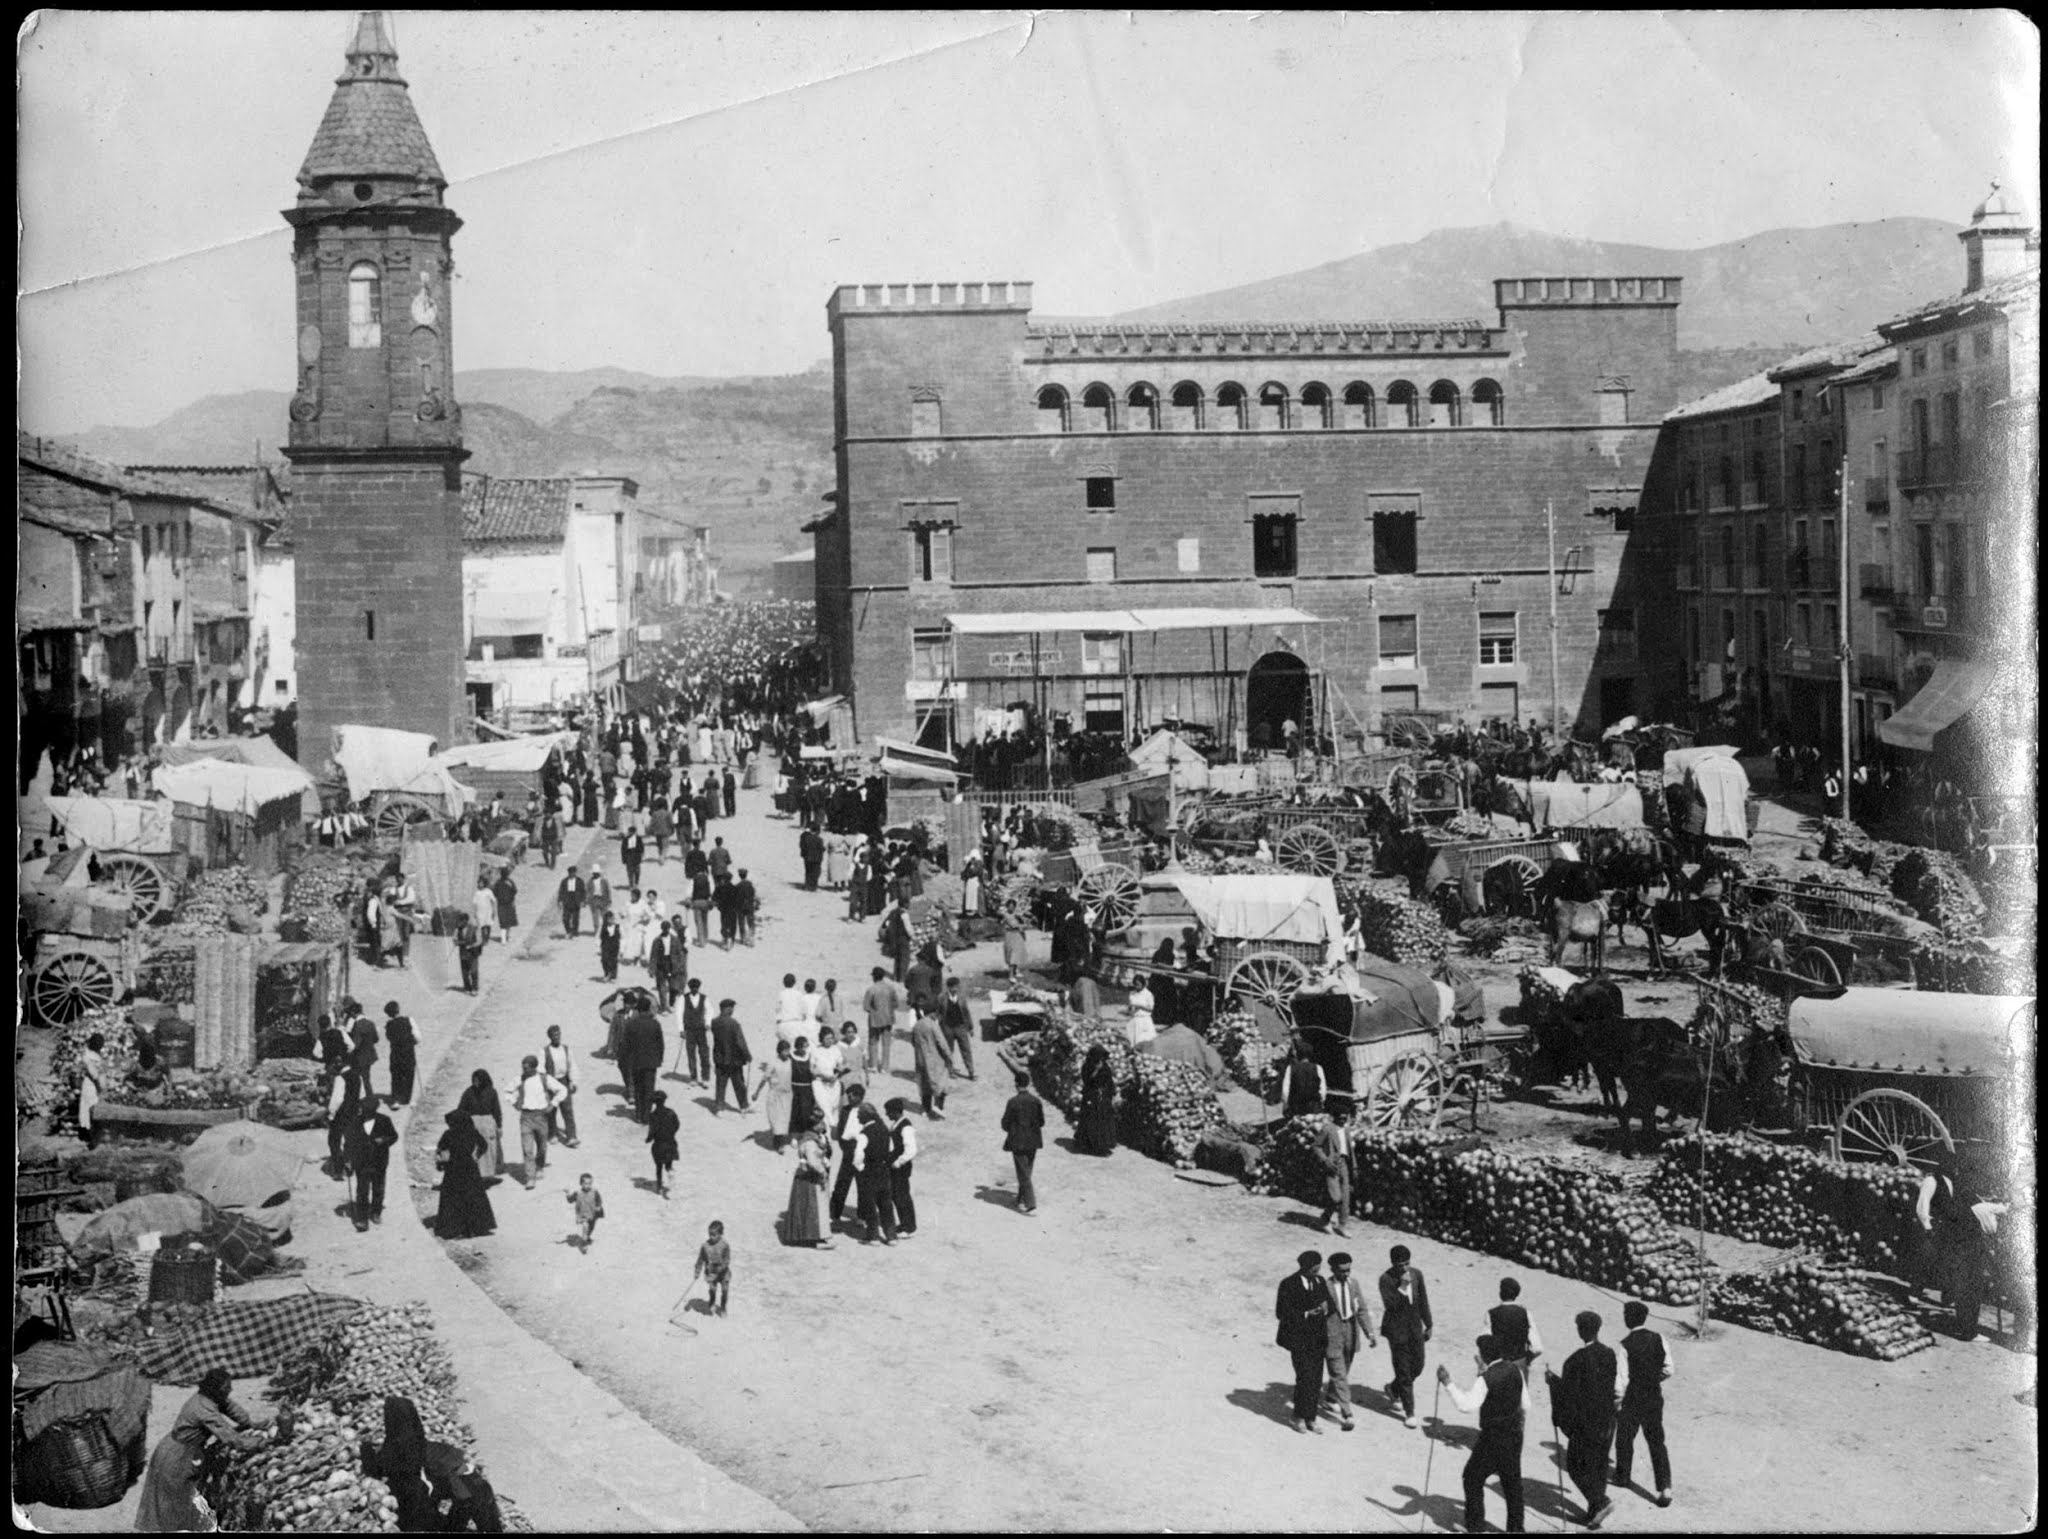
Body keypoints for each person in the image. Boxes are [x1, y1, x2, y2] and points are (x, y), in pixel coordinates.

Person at [135, 1367, 273, 1531]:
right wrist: (258, 1443)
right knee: (172, 1503)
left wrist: (250, 1423)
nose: (230, 1390)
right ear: (216, 1388)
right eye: (226, 1387)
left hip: (183, 1450)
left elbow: (229, 1406)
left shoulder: (213, 1397)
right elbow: (231, 1439)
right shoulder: (204, 1408)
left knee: (184, 1500)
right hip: (175, 1455)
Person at [1440, 1335, 1532, 1534]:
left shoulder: (1486, 1379)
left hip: (1492, 1438)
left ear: (1484, 1355)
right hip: (1514, 1435)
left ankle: (1474, 1526)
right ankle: (1516, 1529)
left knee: (1472, 1478)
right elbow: (1526, 1405)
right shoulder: (1515, 1370)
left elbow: (1466, 1405)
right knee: (1512, 1483)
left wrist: (1448, 1383)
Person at [1547, 1310, 1617, 1529]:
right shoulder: (1609, 1354)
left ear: (1580, 1330)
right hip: (1607, 1419)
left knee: (1575, 1466)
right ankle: (1594, 1513)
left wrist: (1553, 1382)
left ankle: (1600, 1502)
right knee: (1598, 1465)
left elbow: (1568, 1395)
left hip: (1585, 1423)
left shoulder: (1575, 1360)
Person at [1917, 1148, 1997, 1340]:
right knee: (1963, 1281)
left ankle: (1965, 1324)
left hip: (1961, 1238)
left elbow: (1973, 1206)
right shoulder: (1932, 1180)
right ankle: (1967, 1330)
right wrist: (1928, 1229)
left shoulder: (1959, 1185)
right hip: (1945, 1235)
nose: (1956, 1169)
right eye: (1953, 1165)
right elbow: (1922, 1207)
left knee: (1966, 1282)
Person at [1612, 1300, 1674, 1508]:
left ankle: (1622, 1476)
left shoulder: (1624, 1344)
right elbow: (1669, 1369)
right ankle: (1665, 1486)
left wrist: (1617, 1404)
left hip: (1632, 1399)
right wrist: (1653, 1380)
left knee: (1624, 1438)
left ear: (1629, 1318)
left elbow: (1621, 1382)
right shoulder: (1659, 1338)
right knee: (1656, 1441)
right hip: (1654, 1397)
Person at [1274, 1249, 1333, 1434]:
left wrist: (1325, 1308)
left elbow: (1329, 1304)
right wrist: (1306, 1314)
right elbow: (1281, 1312)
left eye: (1318, 1269)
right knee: (1304, 1378)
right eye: (1314, 1270)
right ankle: (1297, 1417)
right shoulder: (1289, 1284)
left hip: (1317, 1339)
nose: (1317, 1273)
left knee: (1316, 1380)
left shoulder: (1320, 1281)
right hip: (1298, 1339)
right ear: (1304, 1269)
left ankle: (1311, 1418)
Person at [1321, 1251, 1378, 1432]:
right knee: (1339, 1374)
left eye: (1348, 1270)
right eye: (1342, 1271)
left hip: (1351, 1334)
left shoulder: (1354, 1284)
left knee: (1343, 1369)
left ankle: (1330, 1398)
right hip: (1332, 1335)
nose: (1346, 1274)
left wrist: (1369, 1333)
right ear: (1332, 1269)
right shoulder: (1325, 1286)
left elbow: (1361, 1309)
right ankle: (1347, 1414)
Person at [1378, 1244, 1434, 1428]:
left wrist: (1429, 1324)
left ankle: (1393, 1389)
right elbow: (1391, 1305)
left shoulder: (1417, 1274)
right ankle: (1409, 1412)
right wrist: (1402, 1286)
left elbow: (1423, 1300)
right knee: (1403, 1370)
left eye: (1407, 1264)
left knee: (1418, 1365)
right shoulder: (1386, 1279)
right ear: (1393, 1264)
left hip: (1415, 1327)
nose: (1404, 1268)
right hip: (1396, 1330)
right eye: (1400, 1265)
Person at [434, 1111, 496, 1240]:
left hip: (453, 1170)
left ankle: (456, 1229)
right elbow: (483, 1145)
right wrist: (476, 1156)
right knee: (473, 1197)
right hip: (470, 1169)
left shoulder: (449, 1134)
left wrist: (440, 1163)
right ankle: (477, 1228)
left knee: (453, 1199)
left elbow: (441, 1150)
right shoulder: (472, 1132)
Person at [347, 1093, 399, 1231]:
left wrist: (384, 1141)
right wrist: (348, 1161)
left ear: (374, 1110)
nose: (363, 1111)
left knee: (378, 1188)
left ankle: (376, 1212)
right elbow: (349, 1143)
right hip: (361, 1162)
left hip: (379, 1161)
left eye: (366, 1110)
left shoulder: (384, 1120)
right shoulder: (355, 1121)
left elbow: (394, 1136)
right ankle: (362, 1219)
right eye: (362, 1109)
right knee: (362, 1190)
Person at [512, 1055, 565, 1190]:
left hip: (541, 1116)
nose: (524, 1070)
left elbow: (562, 1090)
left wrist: (553, 1104)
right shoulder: (520, 1079)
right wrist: (514, 1103)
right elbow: (507, 1091)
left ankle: (540, 1165)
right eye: (523, 1068)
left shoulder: (544, 1079)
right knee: (527, 1149)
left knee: (542, 1146)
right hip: (526, 1117)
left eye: (527, 1068)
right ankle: (530, 1178)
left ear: (534, 1067)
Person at [852, 1100, 898, 1245]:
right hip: (883, 1171)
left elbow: (858, 1157)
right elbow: (891, 1150)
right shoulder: (884, 1129)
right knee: (886, 1204)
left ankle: (873, 1236)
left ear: (865, 1116)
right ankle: (891, 1236)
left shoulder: (864, 1134)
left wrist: (860, 1169)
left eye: (859, 1115)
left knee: (869, 1205)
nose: (858, 1118)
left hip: (869, 1172)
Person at [783, 1108, 832, 1247]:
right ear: (815, 1125)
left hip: (806, 1176)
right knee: (815, 1207)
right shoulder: (810, 1141)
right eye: (820, 1122)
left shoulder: (812, 1138)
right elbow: (813, 1161)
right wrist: (822, 1172)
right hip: (811, 1177)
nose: (823, 1124)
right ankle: (816, 1237)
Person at [618, 991, 666, 1124]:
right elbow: (660, 1044)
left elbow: (626, 1045)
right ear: (648, 1009)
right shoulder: (655, 1024)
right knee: (649, 1089)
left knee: (638, 1088)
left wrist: (625, 1060)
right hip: (651, 1063)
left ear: (638, 1009)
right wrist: (659, 1059)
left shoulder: (631, 1024)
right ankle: (646, 1115)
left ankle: (638, 1115)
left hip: (635, 1062)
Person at [1001, 1069, 1045, 1213]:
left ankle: (1030, 1201)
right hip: (1033, 1140)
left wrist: (1014, 1130)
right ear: (1028, 1084)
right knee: (1026, 1171)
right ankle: (1020, 1198)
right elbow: (1042, 1122)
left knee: (1023, 1172)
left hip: (1018, 1141)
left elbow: (1005, 1124)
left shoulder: (1013, 1102)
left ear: (1016, 1084)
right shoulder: (1036, 1101)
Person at [1488, 1277, 1544, 1369]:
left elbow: (1485, 1346)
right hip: (1519, 1368)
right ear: (1516, 1295)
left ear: (1500, 1293)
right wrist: (1526, 1360)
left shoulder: (1491, 1314)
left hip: (1498, 1369)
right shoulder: (1525, 1313)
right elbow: (1537, 1348)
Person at [458, 1070, 504, 1180]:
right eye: (474, 1081)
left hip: (488, 1124)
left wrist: (499, 1126)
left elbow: (496, 1110)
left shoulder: (492, 1092)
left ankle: (488, 1174)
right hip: (474, 1124)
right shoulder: (469, 1092)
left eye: (478, 1081)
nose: (475, 1083)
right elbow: (461, 1109)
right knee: (475, 1149)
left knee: (489, 1149)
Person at [752, 1039, 796, 1152]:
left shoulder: (791, 1062)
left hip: (787, 1095)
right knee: (776, 1120)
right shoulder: (773, 1063)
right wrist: (756, 1092)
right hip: (775, 1095)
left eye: (788, 1050)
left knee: (784, 1120)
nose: (787, 1053)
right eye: (785, 1051)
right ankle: (778, 1143)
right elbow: (764, 1079)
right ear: (779, 1051)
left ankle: (781, 1143)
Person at [910, 1005, 952, 1119]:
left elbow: (912, 1041)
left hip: (920, 1059)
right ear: (933, 1013)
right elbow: (942, 1043)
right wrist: (949, 1057)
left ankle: (926, 1108)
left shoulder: (917, 1025)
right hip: (935, 1060)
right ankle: (938, 1107)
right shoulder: (933, 1025)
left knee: (924, 1085)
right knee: (941, 1083)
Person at [710, 998, 752, 1113]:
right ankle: (744, 1106)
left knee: (720, 1084)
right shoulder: (734, 1024)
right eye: (732, 1008)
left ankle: (719, 1105)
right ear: (727, 1009)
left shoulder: (714, 1022)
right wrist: (748, 1055)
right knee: (739, 1084)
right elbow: (740, 1042)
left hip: (719, 1058)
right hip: (734, 1060)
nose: (733, 1010)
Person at [886, 1096, 919, 1236]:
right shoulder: (896, 1124)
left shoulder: (906, 1127)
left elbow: (911, 1150)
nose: (887, 1114)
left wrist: (899, 1162)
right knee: (897, 1195)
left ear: (896, 1111)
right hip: (895, 1167)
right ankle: (904, 1224)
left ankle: (909, 1227)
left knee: (902, 1196)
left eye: (888, 1111)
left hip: (900, 1168)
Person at [1076, 1043, 1118, 1155]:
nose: (1100, 1059)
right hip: (1092, 1096)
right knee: (1092, 1121)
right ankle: (1090, 1145)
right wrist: (1096, 1071)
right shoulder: (1087, 1066)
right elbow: (1087, 1081)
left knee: (1104, 1121)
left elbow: (1109, 1081)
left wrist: (1112, 1093)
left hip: (1103, 1097)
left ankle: (1103, 1145)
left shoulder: (1105, 1066)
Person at [1315, 1116, 1352, 1236]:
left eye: (1345, 1117)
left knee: (1345, 1196)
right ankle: (1324, 1219)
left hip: (1344, 1164)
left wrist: (1354, 1166)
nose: (1343, 1120)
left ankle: (1342, 1225)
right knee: (1336, 1197)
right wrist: (1326, 1160)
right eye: (1340, 1117)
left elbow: (1350, 1150)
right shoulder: (1327, 1129)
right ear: (1335, 1117)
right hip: (1332, 1165)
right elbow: (1316, 1146)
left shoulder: (1346, 1130)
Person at [543, 1025, 580, 1148]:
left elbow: (572, 1066)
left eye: (558, 1035)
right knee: (552, 1109)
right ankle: (552, 1133)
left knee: (567, 1109)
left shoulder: (566, 1049)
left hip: (563, 1081)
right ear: (550, 1037)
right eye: (554, 1035)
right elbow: (541, 1070)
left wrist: (573, 1082)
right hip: (551, 1082)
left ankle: (572, 1137)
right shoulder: (544, 1051)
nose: (557, 1037)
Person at [862, 966, 900, 1075]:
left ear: (874, 976)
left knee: (873, 1042)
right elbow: (896, 1004)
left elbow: (866, 1007)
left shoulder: (871, 989)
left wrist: (875, 1011)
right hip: (888, 1019)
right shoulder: (890, 988)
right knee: (886, 1044)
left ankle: (873, 1065)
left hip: (874, 1019)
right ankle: (884, 1067)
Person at [939, 976, 978, 1081]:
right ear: (948, 988)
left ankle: (971, 1072)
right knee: (948, 1050)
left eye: (956, 987)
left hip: (961, 1027)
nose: (955, 989)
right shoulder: (942, 998)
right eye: (952, 987)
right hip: (948, 1028)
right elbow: (938, 1014)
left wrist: (970, 1028)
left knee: (966, 1049)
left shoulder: (962, 998)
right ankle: (950, 1070)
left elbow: (966, 1013)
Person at [1277, 1038, 1326, 1118]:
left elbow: (1285, 1091)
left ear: (1298, 1054)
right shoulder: (1318, 1068)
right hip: (1314, 1108)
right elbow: (1323, 1091)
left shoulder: (1291, 1068)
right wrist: (1320, 1104)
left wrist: (1286, 1105)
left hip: (1296, 1108)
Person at [646, 1090, 681, 1199]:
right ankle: (670, 1179)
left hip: (659, 1144)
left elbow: (653, 1130)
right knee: (669, 1165)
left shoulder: (653, 1115)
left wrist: (649, 1139)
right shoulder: (671, 1112)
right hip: (670, 1142)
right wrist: (671, 1133)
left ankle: (660, 1187)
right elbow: (677, 1124)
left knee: (658, 1167)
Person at [383, 1002, 418, 1109]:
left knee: (396, 1076)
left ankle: (396, 1100)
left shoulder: (389, 1025)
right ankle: (407, 1099)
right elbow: (418, 1037)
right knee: (409, 1075)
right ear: (398, 1009)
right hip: (408, 1053)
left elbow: (389, 1038)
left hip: (396, 1054)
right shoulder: (409, 1020)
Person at [694, 1220, 732, 1316]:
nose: (711, 1237)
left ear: (720, 1234)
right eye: (710, 1234)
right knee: (712, 1290)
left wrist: (722, 1268)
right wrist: (697, 1271)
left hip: (723, 1273)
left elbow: (727, 1259)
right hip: (711, 1273)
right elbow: (700, 1259)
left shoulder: (725, 1245)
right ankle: (712, 1303)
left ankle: (723, 1308)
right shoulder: (705, 1246)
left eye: (714, 1235)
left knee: (724, 1290)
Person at [679, 977, 711, 1084]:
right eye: (692, 988)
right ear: (689, 988)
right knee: (691, 1054)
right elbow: (679, 1014)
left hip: (701, 1030)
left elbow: (709, 1011)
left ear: (698, 988)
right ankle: (693, 1077)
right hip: (689, 1030)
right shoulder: (683, 998)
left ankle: (705, 1078)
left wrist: (707, 1023)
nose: (694, 990)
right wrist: (681, 1029)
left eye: (696, 988)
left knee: (704, 1054)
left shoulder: (704, 998)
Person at [78, 1031, 105, 1150]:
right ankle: (91, 1139)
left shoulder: (96, 1054)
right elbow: (93, 1073)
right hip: (90, 1085)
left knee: (94, 1108)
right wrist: (101, 1084)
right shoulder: (87, 1056)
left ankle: (93, 1136)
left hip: (95, 1085)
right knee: (90, 1109)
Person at [566, 1172, 605, 1253]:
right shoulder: (578, 1193)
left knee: (591, 1227)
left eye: (590, 1183)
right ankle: (584, 1244)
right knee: (585, 1227)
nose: (588, 1185)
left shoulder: (594, 1191)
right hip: (582, 1214)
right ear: (581, 1183)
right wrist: (567, 1193)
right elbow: (570, 1200)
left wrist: (598, 1206)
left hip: (592, 1213)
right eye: (586, 1183)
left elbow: (599, 1200)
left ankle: (587, 1236)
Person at [457, 914, 485, 994]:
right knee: (464, 972)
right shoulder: (458, 929)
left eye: (461, 921)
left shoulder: (474, 929)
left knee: (474, 971)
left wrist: (471, 946)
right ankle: (467, 987)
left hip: (473, 953)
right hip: (463, 953)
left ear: (466, 921)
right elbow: (454, 938)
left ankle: (475, 988)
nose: (460, 923)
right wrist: (458, 942)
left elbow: (479, 941)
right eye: (459, 921)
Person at [557, 868, 586, 936]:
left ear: (575, 873)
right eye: (570, 872)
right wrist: (560, 901)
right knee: (565, 918)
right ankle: (569, 931)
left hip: (576, 900)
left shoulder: (579, 881)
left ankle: (575, 931)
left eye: (573, 872)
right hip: (567, 900)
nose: (572, 874)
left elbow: (583, 891)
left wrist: (583, 901)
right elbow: (561, 891)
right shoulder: (564, 881)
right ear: (568, 873)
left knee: (575, 918)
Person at [491, 868, 519, 938]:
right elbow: (515, 891)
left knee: (505, 921)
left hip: (504, 904)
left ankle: (506, 937)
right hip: (505, 904)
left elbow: (514, 891)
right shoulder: (505, 882)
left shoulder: (501, 882)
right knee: (505, 921)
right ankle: (505, 937)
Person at [597, 911, 623, 983]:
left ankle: (612, 975)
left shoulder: (618, 927)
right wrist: (597, 948)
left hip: (615, 946)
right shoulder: (602, 927)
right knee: (604, 960)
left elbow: (623, 938)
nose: (611, 920)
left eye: (612, 918)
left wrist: (622, 950)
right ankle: (607, 973)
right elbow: (598, 937)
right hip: (605, 946)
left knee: (613, 961)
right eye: (609, 919)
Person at [800, 824, 825, 891]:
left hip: (808, 858)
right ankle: (813, 886)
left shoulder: (807, 838)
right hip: (817, 859)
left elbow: (803, 847)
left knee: (808, 872)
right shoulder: (819, 839)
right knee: (815, 872)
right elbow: (822, 849)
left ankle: (807, 885)